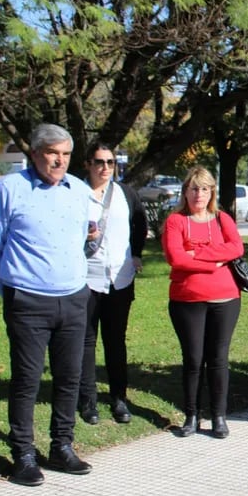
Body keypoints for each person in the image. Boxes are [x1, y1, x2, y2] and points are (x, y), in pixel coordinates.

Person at [0, 123, 94, 486]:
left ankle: (62, 446)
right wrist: (10, 288)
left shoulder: (79, 190)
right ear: (35, 154)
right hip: (27, 299)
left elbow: (80, 240)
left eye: (65, 154)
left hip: (74, 297)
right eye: (52, 153)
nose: (59, 161)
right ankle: (24, 454)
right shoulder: (9, 189)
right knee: (27, 380)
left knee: (69, 378)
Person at [162, 166, 244, 439]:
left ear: (212, 192)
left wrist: (195, 253)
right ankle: (192, 415)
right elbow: (176, 258)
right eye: (194, 188)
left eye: (205, 189)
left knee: (218, 359)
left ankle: (218, 416)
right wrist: (215, 261)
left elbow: (236, 248)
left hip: (225, 299)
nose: (199, 194)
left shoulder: (222, 219)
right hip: (187, 300)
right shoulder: (176, 221)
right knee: (194, 359)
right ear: (185, 191)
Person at [77, 142, 147, 426]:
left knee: (116, 341)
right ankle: (88, 401)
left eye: (110, 162)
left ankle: (119, 399)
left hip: (119, 278)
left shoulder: (125, 194)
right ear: (87, 164)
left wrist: (138, 253)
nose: (105, 167)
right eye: (99, 162)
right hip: (85, 277)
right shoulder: (75, 194)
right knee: (86, 342)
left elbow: (140, 223)